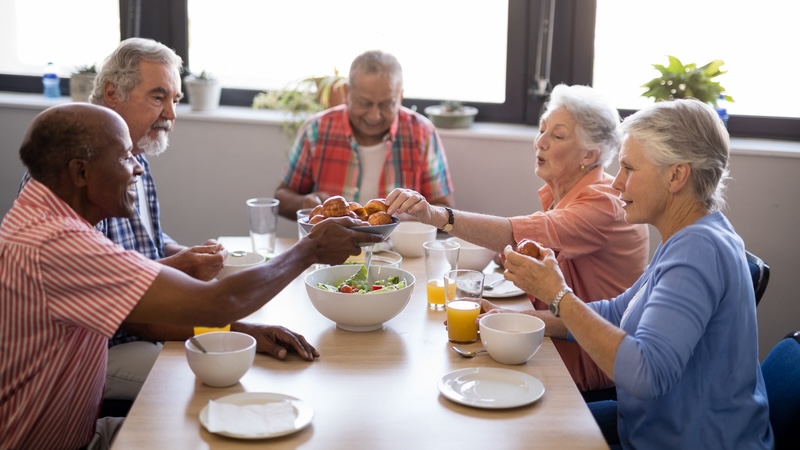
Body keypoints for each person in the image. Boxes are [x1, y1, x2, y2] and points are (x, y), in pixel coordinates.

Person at [0, 103, 383, 450]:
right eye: (125, 157)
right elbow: (219, 302)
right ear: (81, 172)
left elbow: (170, 312)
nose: (138, 168)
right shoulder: (58, 244)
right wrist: (309, 249)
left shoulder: (49, 221)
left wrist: (242, 331)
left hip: (87, 434)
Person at [500, 99, 773, 449]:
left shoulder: (699, 251)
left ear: (676, 175)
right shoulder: (689, 237)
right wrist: (517, 319)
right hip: (646, 430)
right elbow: (616, 313)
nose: (616, 183)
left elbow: (647, 375)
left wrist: (558, 295)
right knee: (521, 426)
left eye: (628, 168)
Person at [79, 38, 321, 403]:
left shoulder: (135, 156)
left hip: (145, 323)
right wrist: (238, 329)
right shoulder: (83, 174)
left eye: (175, 100)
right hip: (105, 345)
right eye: (158, 97)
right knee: (230, 369)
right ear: (113, 93)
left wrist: (188, 254)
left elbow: (148, 243)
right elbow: (129, 310)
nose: (171, 114)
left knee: (242, 356)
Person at [386, 84, 650, 395]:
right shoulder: (565, 195)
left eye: (558, 136)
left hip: (585, 367)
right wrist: (508, 317)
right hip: (555, 341)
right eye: (542, 130)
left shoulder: (603, 203)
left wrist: (436, 215)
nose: (541, 142)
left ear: (589, 155)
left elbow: (515, 234)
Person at [274, 49, 455, 221]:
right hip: (331, 243)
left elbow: (444, 209)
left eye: (386, 104)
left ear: (400, 97)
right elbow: (282, 198)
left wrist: (420, 214)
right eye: (364, 103)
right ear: (346, 93)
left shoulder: (422, 133)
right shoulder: (316, 129)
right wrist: (305, 203)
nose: (374, 115)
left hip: (399, 244)